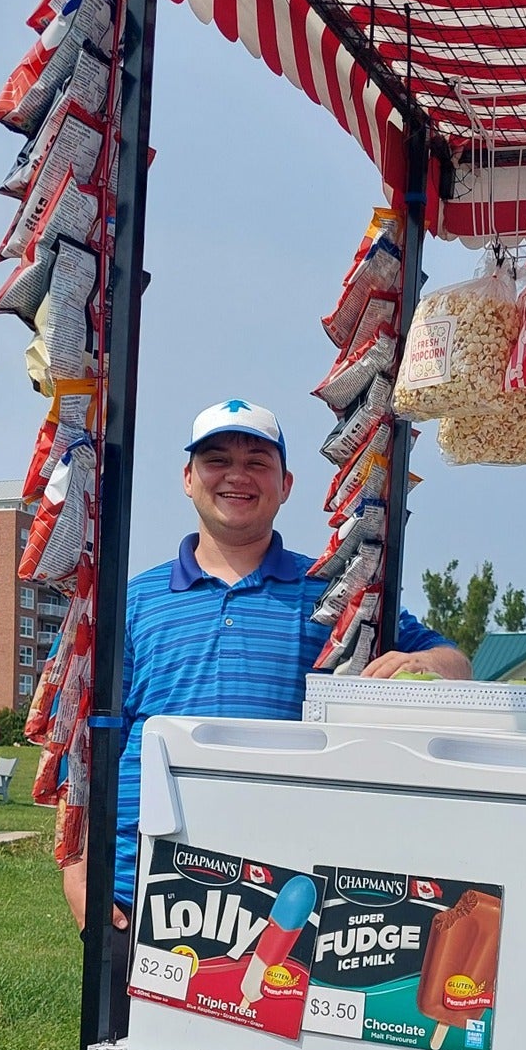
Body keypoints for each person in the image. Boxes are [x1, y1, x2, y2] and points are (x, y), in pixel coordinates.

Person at [60, 399, 470, 998]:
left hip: (284, 888)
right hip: (140, 884)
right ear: (187, 479)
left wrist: (420, 662)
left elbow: (457, 663)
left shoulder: (332, 594)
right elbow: (81, 748)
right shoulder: (133, 601)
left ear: (286, 485)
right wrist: (77, 868)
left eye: (257, 461)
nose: (236, 475)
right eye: (216, 460)